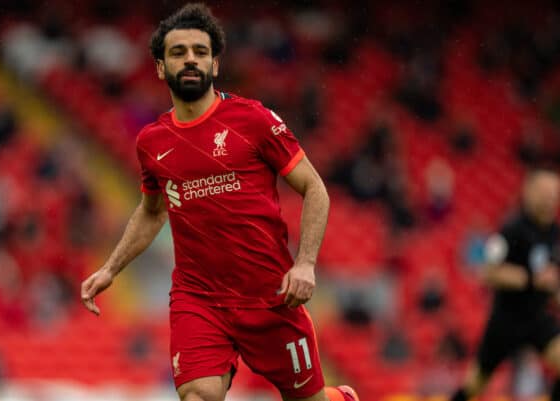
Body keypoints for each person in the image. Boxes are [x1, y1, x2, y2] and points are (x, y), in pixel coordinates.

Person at [80, 4, 359, 401]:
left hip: (270, 294)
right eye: (178, 53)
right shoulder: (152, 142)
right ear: (160, 68)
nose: (190, 59)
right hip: (200, 297)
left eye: (200, 51)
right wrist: (110, 268)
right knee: (198, 395)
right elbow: (152, 211)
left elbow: (315, 189)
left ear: (215, 63)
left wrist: (306, 263)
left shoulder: (254, 120)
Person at [450, 169, 560, 401]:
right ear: (528, 192)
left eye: (554, 192)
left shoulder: (553, 233)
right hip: (506, 321)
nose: (550, 197)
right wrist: (530, 279)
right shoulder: (511, 230)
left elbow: (550, 280)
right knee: (474, 385)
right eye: (544, 191)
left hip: (538, 318)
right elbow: (488, 272)